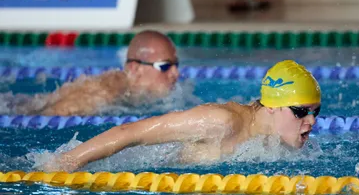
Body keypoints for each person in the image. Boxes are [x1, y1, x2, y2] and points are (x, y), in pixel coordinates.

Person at [39, 60, 321, 172]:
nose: (311, 121)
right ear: (271, 106)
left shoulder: (276, 141)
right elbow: (132, 132)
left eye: (315, 112)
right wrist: (67, 162)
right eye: (300, 112)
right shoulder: (221, 122)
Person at [11, 30, 180, 116]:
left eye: (176, 65)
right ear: (135, 68)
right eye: (165, 66)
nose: (175, 73)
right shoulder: (111, 88)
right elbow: (52, 115)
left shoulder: (134, 93)